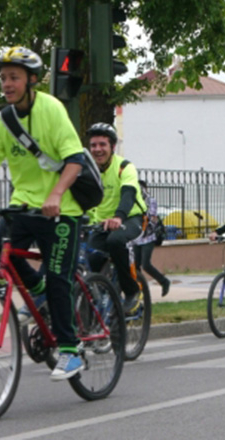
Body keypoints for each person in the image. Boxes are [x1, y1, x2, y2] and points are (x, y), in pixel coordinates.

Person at [0, 46, 86, 381]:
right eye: (3, 78)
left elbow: (75, 160)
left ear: (31, 80)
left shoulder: (51, 109)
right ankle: (38, 294)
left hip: (60, 210)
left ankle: (70, 349)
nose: (7, 84)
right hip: (23, 206)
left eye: (14, 78)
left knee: (58, 278)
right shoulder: (3, 120)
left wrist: (55, 193)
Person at [85, 122, 148, 315]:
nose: (97, 149)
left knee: (116, 241)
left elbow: (128, 193)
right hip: (101, 223)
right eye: (93, 145)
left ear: (112, 147)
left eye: (102, 144)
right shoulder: (87, 170)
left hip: (130, 219)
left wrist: (119, 217)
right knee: (89, 258)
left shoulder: (124, 167)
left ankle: (132, 291)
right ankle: (100, 306)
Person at [133, 180, 171, 297]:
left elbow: (152, 218)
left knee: (145, 264)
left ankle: (164, 281)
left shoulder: (151, 200)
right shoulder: (133, 200)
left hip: (148, 237)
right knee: (135, 266)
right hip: (136, 237)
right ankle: (137, 290)